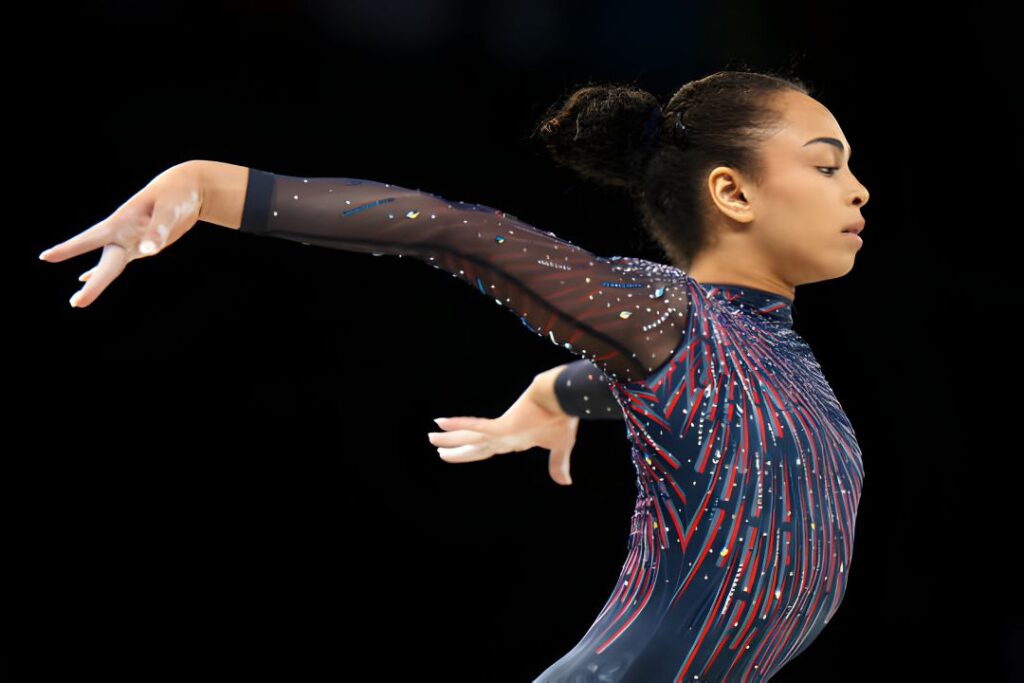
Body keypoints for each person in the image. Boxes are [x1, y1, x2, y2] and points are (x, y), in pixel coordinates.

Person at [38, 68, 869, 681]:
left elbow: (708, 398)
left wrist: (554, 396)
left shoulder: (767, 353)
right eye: (828, 166)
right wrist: (208, 188)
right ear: (732, 191)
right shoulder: (664, 308)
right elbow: (457, 233)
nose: (859, 190)